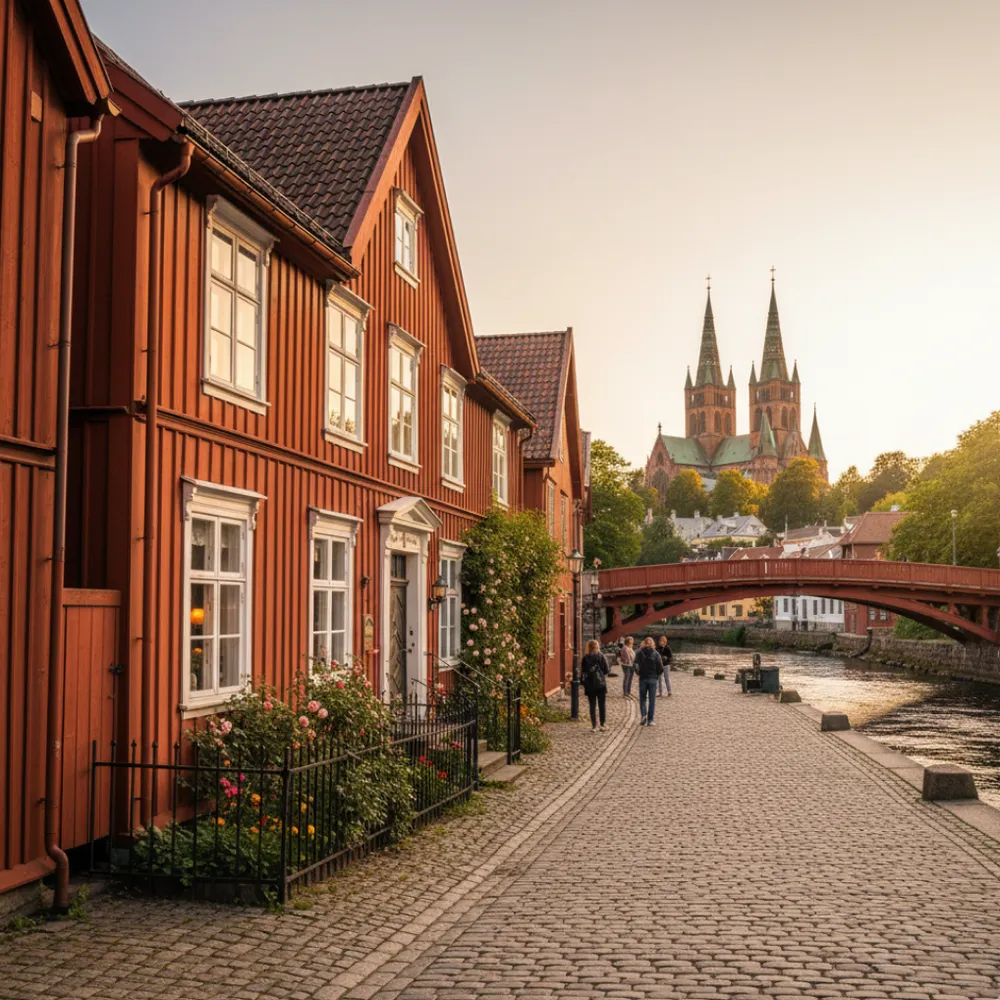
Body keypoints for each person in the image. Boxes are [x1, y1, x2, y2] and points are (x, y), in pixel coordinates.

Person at [580, 639, 609, 732]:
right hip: (600, 684)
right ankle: (602, 724)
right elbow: (606, 670)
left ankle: (594, 726)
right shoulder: (601, 656)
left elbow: (583, 672)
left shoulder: (585, 658)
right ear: (597, 647)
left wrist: (584, 683)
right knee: (601, 705)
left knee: (592, 705)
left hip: (590, 684)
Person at [635, 637, 664, 727]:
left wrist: (639, 673)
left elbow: (635, 664)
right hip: (652, 679)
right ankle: (650, 720)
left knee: (642, 699)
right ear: (652, 644)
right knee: (652, 700)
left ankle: (643, 715)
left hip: (643, 678)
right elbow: (660, 667)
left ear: (644, 643)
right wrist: (656, 675)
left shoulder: (639, 653)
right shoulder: (656, 654)